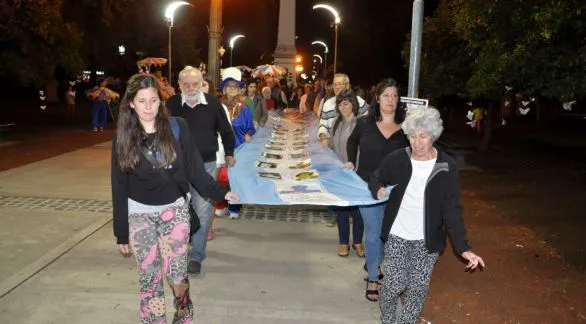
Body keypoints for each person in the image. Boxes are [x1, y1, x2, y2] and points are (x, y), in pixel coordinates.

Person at [111, 73, 239, 323]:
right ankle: (154, 320)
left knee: (177, 275)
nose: (148, 107)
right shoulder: (123, 138)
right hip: (139, 216)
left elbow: (195, 170)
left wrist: (221, 192)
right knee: (149, 278)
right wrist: (121, 232)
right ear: (131, 104)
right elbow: (119, 186)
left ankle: (183, 317)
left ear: (161, 100)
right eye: (142, 101)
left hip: (175, 213)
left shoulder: (177, 127)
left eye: (154, 100)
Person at [369, 107, 485, 323]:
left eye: (423, 136)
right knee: (393, 285)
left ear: (433, 136)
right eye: (412, 136)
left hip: (428, 239)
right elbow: (376, 177)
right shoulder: (398, 159)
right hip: (397, 234)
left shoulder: (445, 165)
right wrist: (378, 189)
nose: (417, 142)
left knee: (417, 289)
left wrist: (464, 248)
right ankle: (388, 320)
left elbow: (452, 208)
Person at [167, 66, 236, 275]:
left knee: (203, 211)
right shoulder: (170, 105)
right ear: (179, 86)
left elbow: (225, 129)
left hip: (205, 164)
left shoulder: (213, 103)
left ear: (201, 83)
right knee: (177, 211)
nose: (190, 88)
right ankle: (179, 248)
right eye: (185, 84)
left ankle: (196, 256)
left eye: (194, 84)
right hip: (177, 167)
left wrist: (230, 152)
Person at [346, 78, 409, 302]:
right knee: (373, 234)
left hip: (395, 189)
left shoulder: (406, 127)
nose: (390, 100)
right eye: (386, 95)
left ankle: (374, 262)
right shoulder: (364, 123)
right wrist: (351, 161)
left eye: (394, 96)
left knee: (387, 234)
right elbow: (352, 142)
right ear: (378, 98)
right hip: (366, 187)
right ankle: (374, 278)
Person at [328, 89, 364, 257]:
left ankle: (358, 242)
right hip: (339, 173)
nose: (343, 107)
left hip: (357, 173)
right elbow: (332, 147)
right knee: (342, 208)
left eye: (346, 103)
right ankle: (343, 242)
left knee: (357, 210)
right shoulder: (336, 123)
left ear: (353, 105)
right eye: (340, 104)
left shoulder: (361, 124)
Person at [220, 67, 256, 219]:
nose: (232, 89)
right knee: (221, 177)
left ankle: (234, 206)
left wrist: (248, 135)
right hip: (220, 147)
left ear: (239, 88)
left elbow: (251, 129)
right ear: (224, 88)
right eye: (229, 86)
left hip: (238, 148)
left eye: (235, 86)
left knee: (235, 178)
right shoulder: (217, 106)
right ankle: (220, 204)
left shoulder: (244, 108)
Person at [318, 73, 369, 148]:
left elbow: (370, 122)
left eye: (340, 84)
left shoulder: (359, 101)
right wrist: (323, 137)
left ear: (347, 86)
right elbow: (323, 125)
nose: (337, 87)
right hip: (333, 147)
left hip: (355, 148)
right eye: (334, 84)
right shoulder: (328, 104)